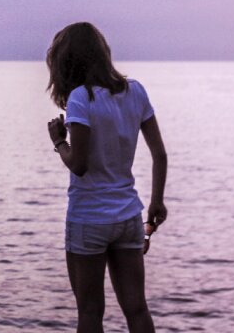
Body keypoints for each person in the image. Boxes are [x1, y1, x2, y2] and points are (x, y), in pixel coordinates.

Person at [45, 22, 168, 333]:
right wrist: (156, 202)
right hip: (128, 215)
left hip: (88, 218)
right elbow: (160, 154)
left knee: (89, 312)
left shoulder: (80, 98)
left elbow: (80, 164)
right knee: (137, 308)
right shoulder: (135, 91)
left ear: (66, 61)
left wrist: (59, 142)